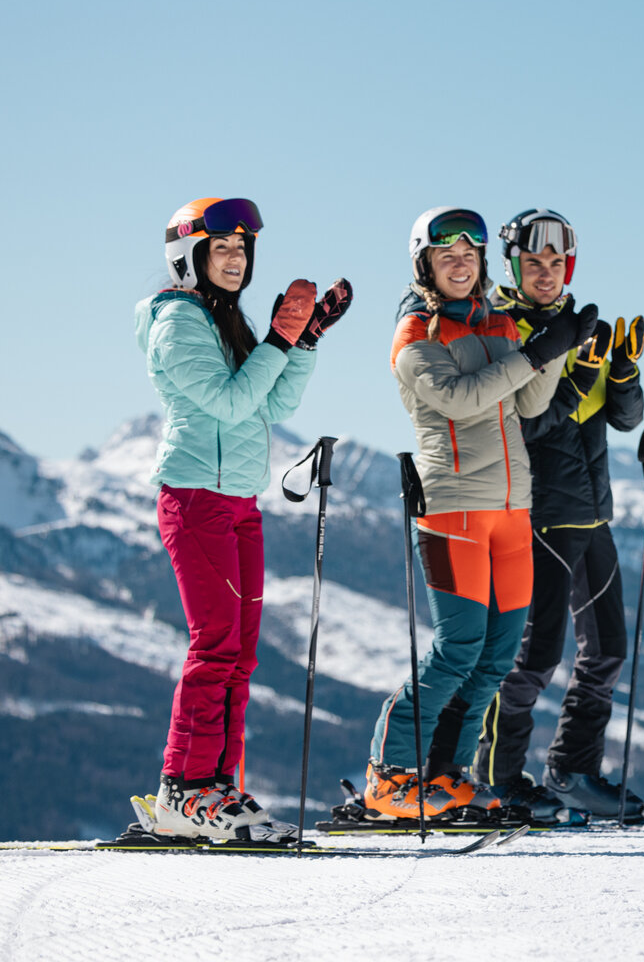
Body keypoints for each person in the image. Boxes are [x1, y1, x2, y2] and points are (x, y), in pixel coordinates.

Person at [363, 207, 595, 821]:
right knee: (457, 648)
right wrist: (535, 351)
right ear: (425, 264)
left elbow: (528, 401)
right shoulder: (415, 333)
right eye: (447, 255)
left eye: (469, 254)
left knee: (496, 655)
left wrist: (551, 345)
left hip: (513, 509)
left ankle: (448, 774)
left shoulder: (496, 322)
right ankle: (390, 776)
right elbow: (461, 401)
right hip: (453, 507)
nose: (460, 263)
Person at [138, 198, 352, 841]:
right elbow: (229, 403)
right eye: (221, 249)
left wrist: (304, 341)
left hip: (239, 502)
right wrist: (281, 340)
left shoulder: (223, 318)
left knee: (241, 655)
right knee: (214, 646)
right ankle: (184, 788)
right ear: (190, 255)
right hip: (196, 498)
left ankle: (218, 786)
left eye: (242, 250)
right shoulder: (177, 322)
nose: (235, 260)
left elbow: (275, 399)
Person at [473, 209, 644, 821]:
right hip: (536, 514)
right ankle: (496, 779)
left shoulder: (583, 328)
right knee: (534, 655)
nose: (545, 274)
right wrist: (573, 377)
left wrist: (623, 374)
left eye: (555, 264)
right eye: (533, 263)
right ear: (513, 267)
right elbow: (519, 425)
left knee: (606, 652)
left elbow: (624, 419)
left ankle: (574, 771)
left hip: (591, 514)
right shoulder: (502, 332)